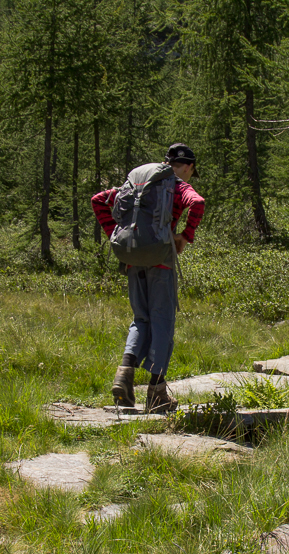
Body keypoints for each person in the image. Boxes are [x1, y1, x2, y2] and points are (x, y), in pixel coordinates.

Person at [92, 143, 205, 413]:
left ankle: (124, 376)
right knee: (162, 320)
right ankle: (156, 393)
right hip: (161, 262)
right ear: (188, 166)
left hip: (132, 259)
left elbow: (99, 200)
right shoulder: (177, 185)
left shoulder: (140, 183)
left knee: (141, 319)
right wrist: (184, 237)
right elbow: (197, 204)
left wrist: (115, 234)